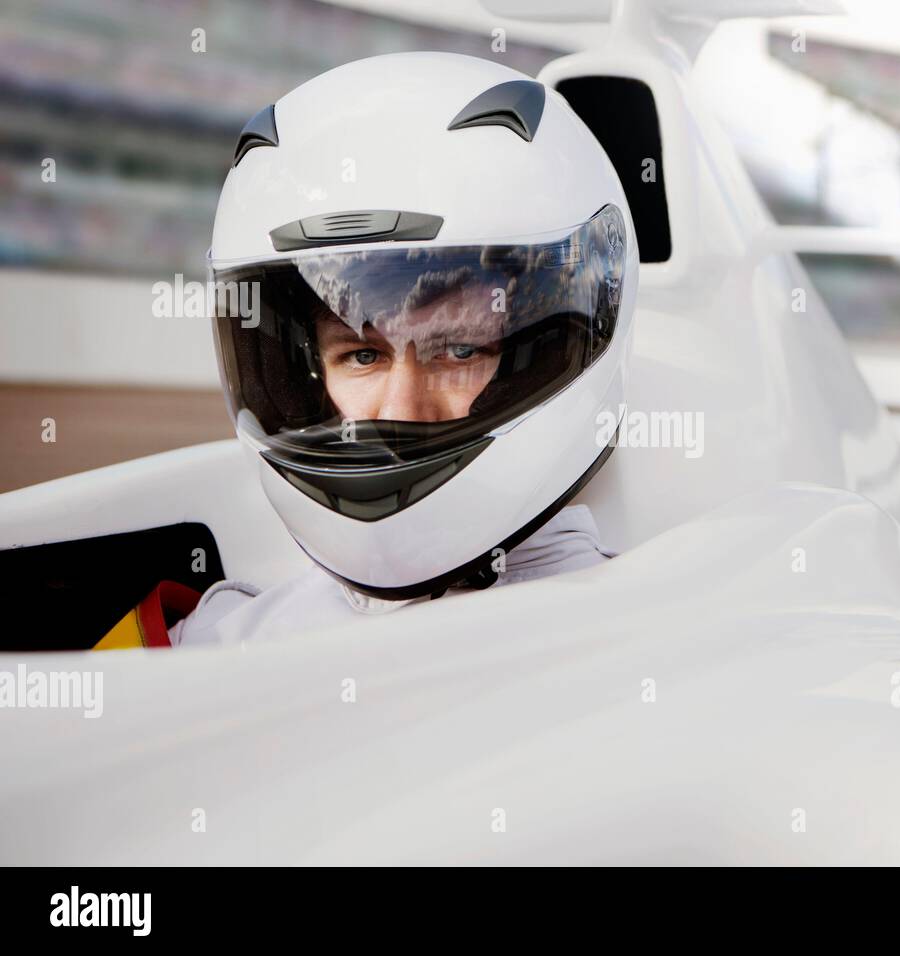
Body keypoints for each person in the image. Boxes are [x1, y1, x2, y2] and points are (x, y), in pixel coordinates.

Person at [159, 51, 637, 647]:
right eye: (363, 356)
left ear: (542, 356)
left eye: (458, 350)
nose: (400, 409)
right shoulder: (216, 643)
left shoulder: (639, 641)